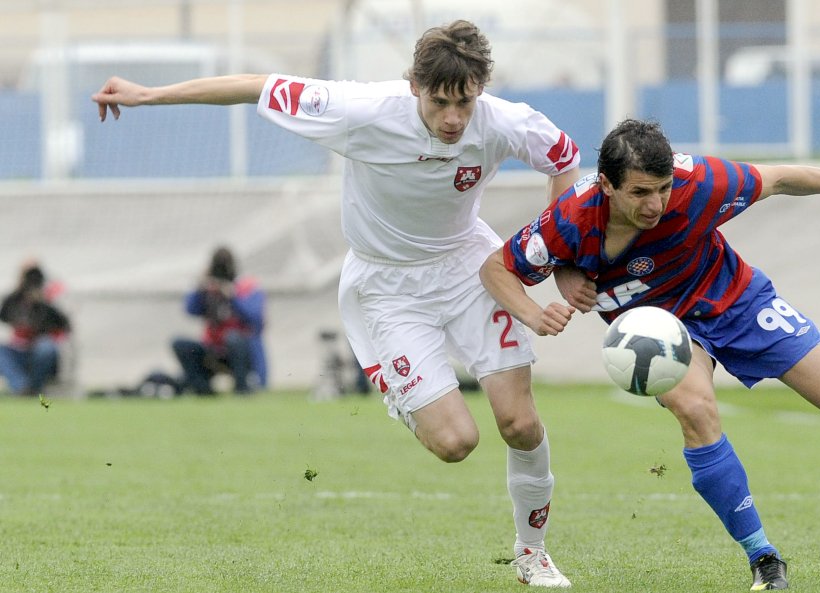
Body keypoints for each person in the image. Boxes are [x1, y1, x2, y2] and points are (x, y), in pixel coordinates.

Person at [93, 20, 581, 587]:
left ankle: (532, 552)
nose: (453, 118)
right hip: (388, 288)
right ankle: (401, 391)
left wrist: (561, 260)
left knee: (519, 424)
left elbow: (564, 160)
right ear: (415, 86)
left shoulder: (504, 120)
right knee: (455, 444)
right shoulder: (361, 109)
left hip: (471, 270)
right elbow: (255, 83)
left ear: (481, 88)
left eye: (465, 102)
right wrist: (149, 95)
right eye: (440, 102)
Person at [479, 119, 820, 591]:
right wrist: (537, 311)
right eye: (639, 192)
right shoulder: (570, 220)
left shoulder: (699, 182)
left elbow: (779, 178)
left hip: (736, 300)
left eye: (662, 189)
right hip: (662, 329)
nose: (655, 204)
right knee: (695, 408)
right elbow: (495, 267)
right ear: (606, 185)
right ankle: (764, 558)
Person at [172, 246, 268, 395]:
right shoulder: (208, 288)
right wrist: (200, 287)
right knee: (180, 343)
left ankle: (242, 388)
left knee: (233, 338)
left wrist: (232, 295)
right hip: (213, 348)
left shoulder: (247, 286)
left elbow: (255, 318)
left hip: (241, 351)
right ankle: (202, 389)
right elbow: (190, 310)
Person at [0, 261, 72, 396]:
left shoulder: (49, 299)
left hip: (41, 350)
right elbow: (4, 315)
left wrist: (43, 302)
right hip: (19, 350)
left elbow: (65, 325)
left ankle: (34, 387)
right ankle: (21, 387)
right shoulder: (14, 299)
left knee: (46, 347)